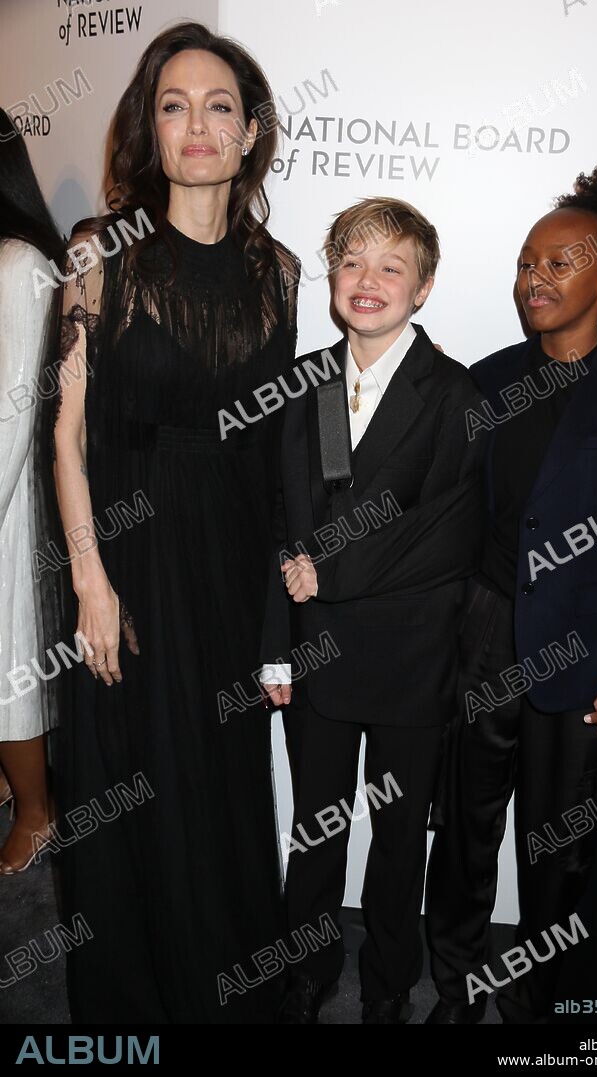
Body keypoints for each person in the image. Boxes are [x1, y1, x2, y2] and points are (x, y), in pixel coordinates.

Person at [51, 22, 299, 1023]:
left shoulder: (277, 270)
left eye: (218, 106)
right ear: (149, 129)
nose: (196, 124)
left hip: (230, 559)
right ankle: (137, 999)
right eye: (172, 104)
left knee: (221, 776)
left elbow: (275, 439)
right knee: (131, 771)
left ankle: (224, 985)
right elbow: (63, 436)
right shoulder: (100, 252)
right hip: (129, 547)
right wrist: (90, 581)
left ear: (247, 135)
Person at [425, 166, 597, 1024]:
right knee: (462, 834)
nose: (534, 277)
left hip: (583, 644)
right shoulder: (488, 380)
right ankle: (455, 985)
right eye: (525, 261)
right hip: (482, 635)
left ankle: (538, 1002)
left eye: (558, 261)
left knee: (559, 850)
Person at [261, 196, 486, 1024]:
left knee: (397, 842)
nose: (368, 281)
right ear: (332, 278)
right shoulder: (303, 384)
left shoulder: (455, 394)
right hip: (316, 652)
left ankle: (389, 981)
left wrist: (327, 570)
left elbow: (445, 535)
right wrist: (275, 647)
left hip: (411, 661)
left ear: (422, 288)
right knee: (314, 832)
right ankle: (305, 968)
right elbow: (276, 524)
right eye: (352, 262)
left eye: (392, 266)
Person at [0, 108, 63, 874]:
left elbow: (15, 410)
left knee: (8, 661)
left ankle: (38, 811)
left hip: (9, 502)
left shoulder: (20, 264)